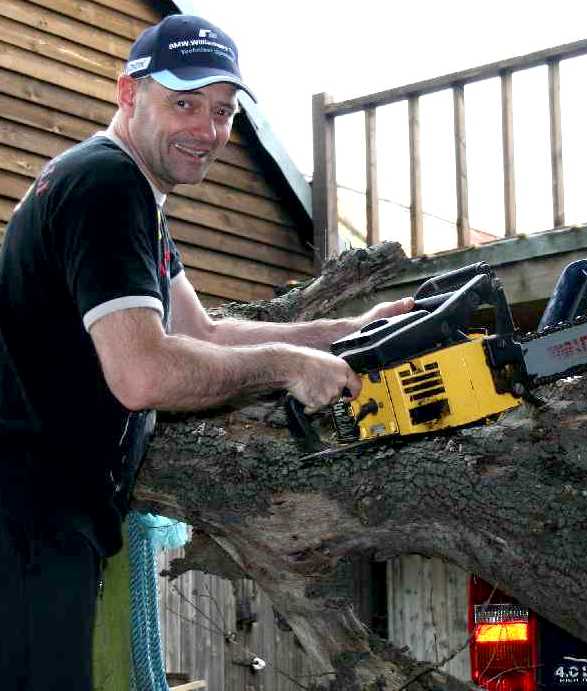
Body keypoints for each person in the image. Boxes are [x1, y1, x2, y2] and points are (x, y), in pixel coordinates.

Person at [0, 14, 412, 690]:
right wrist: (285, 365)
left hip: (46, 518)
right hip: (25, 521)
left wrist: (347, 332)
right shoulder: (107, 187)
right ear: (128, 92)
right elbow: (143, 373)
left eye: (221, 112)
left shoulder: (130, 197)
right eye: (184, 103)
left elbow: (204, 335)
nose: (207, 130)